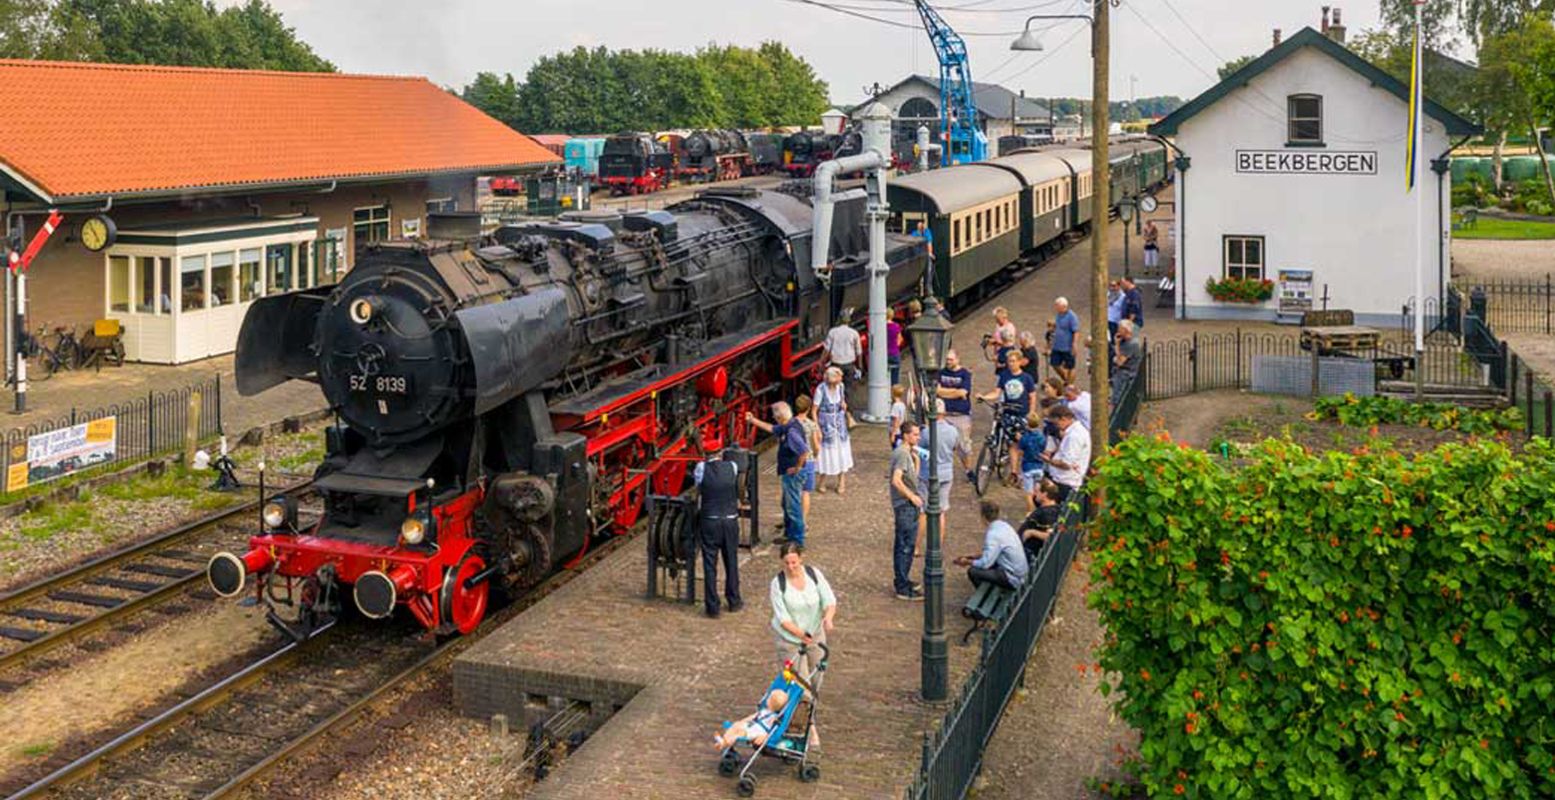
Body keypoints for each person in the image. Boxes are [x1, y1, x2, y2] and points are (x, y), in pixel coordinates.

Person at [769, 543, 836, 686]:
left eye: (794, 562)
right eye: (786, 563)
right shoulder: (777, 584)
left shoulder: (813, 574)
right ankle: (802, 705)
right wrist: (801, 634)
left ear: (801, 559)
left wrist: (828, 618)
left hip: (815, 634)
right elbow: (783, 619)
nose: (790, 567)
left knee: (817, 676)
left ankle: (812, 706)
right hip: (789, 640)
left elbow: (829, 600)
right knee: (799, 684)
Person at [746, 403, 808, 546]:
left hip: (793, 474)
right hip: (789, 473)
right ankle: (789, 535)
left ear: (779, 417)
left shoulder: (791, 432)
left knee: (793, 507)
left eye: (774, 415)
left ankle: (797, 541)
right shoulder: (788, 425)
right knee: (786, 504)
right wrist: (753, 420)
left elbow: (804, 451)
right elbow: (772, 428)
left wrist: (798, 467)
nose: (773, 417)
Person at [980, 350, 1038, 486]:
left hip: (1021, 413)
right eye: (1009, 361)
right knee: (1011, 443)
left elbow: (1032, 396)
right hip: (1008, 412)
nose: (1010, 364)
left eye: (1013, 361)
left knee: (1018, 443)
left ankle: (1018, 471)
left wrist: (1031, 412)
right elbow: (997, 392)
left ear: (1019, 362)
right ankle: (1012, 471)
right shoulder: (1004, 376)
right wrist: (984, 397)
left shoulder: (1026, 378)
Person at [954, 500, 1029, 591]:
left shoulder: (993, 535)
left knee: (973, 571)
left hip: (1013, 578)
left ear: (983, 517)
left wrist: (968, 562)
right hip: (1020, 571)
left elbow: (985, 563)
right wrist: (974, 556)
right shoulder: (1004, 526)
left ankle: (984, 595)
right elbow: (994, 552)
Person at [889, 421, 924, 601]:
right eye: (915, 434)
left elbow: (911, 479)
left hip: (907, 505)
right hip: (904, 506)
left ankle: (904, 579)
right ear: (906, 435)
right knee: (904, 546)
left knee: (907, 545)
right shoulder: (902, 454)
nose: (918, 437)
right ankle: (902, 586)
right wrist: (912, 497)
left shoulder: (907, 454)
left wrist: (916, 462)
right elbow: (897, 480)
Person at [936, 349, 976, 483]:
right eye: (947, 359)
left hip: (961, 414)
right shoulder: (941, 373)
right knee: (940, 442)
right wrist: (955, 392)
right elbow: (937, 390)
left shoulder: (965, 374)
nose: (948, 362)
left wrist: (945, 392)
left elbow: (963, 392)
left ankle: (969, 470)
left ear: (958, 360)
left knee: (964, 445)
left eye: (951, 359)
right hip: (944, 413)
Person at [812, 367, 854, 494]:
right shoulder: (821, 390)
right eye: (837, 377)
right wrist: (817, 427)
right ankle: (822, 481)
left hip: (839, 424)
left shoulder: (840, 387)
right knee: (826, 453)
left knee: (841, 451)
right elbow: (814, 411)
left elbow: (843, 401)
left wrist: (844, 406)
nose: (839, 380)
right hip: (826, 424)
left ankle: (841, 481)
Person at [1041, 404, 1090, 504]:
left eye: (1057, 423)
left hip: (1066, 482)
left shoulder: (1074, 436)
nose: (1056, 426)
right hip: (1063, 480)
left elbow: (1066, 464)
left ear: (1063, 419)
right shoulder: (1072, 433)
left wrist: (1049, 461)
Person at [713, 688, 789, 751]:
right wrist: (742, 722)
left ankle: (723, 744)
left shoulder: (773, 717)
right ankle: (723, 740)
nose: (767, 699)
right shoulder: (764, 711)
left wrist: (765, 737)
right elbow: (752, 717)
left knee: (739, 734)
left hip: (756, 731)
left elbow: (772, 730)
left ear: (770, 702)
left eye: (769, 698)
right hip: (751, 725)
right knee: (735, 725)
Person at [821, 313, 862, 422]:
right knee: (848, 390)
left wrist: (821, 362)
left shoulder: (832, 332)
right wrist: (859, 367)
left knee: (834, 389)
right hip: (849, 364)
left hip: (836, 364)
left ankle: (834, 413)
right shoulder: (854, 333)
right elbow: (859, 352)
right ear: (849, 321)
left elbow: (827, 349)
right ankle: (849, 415)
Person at [1017, 480, 1065, 560]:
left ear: (1044, 494)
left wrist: (1032, 532)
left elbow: (1050, 535)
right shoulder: (1053, 508)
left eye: (1037, 492)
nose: (1035, 494)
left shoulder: (1048, 513)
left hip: (1028, 553)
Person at [793, 395, 822, 526]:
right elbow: (816, 446)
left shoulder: (790, 424)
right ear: (809, 409)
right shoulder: (812, 425)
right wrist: (816, 455)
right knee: (805, 493)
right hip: (808, 461)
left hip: (793, 461)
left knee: (793, 493)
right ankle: (803, 522)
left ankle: (792, 520)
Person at [1017, 413, 1047, 507]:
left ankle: (1030, 511)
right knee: (1037, 491)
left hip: (1028, 467)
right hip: (1039, 467)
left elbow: (1021, 452)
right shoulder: (1042, 436)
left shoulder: (1025, 437)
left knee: (1029, 493)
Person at [1050, 297, 1081, 385]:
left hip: (1067, 346)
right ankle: (1066, 380)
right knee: (1055, 364)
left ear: (1063, 306)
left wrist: (1074, 344)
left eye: (1057, 305)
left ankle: (1069, 384)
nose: (1055, 307)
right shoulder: (1058, 315)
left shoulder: (1072, 316)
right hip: (1057, 345)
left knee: (1070, 366)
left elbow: (1076, 331)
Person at [1114, 319, 1143, 394]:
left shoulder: (1131, 344)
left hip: (1126, 373)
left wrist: (1116, 345)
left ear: (1125, 330)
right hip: (1127, 371)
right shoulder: (1125, 340)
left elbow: (1119, 362)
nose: (1118, 330)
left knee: (1117, 397)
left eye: (1119, 328)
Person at [886, 307, 903, 387]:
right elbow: (899, 340)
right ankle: (894, 395)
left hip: (884, 355)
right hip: (894, 353)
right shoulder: (896, 326)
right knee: (895, 378)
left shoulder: (880, 327)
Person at [1106, 280, 1126, 350]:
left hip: (1116, 321)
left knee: (1114, 340)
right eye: (1111, 285)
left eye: (1114, 286)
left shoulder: (1122, 297)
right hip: (1107, 319)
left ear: (1118, 286)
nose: (1112, 288)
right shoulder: (1108, 294)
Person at [888, 384, 907, 449]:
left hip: (895, 431)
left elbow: (896, 420)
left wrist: (893, 434)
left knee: (895, 447)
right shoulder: (902, 404)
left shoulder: (895, 406)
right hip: (900, 430)